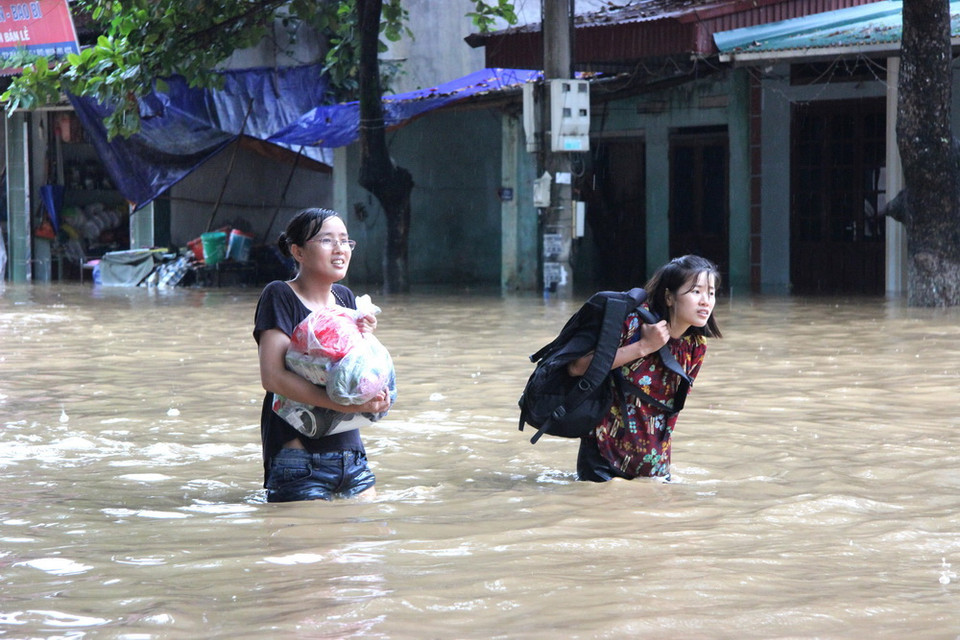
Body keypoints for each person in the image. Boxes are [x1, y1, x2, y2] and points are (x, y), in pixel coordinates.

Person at [253, 208, 390, 502]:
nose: (340, 248)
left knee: (369, 529)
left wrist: (377, 398)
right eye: (327, 240)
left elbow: (353, 374)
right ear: (298, 251)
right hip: (298, 457)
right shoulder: (280, 295)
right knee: (309, 532)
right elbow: (273, 378)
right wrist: (345, 405)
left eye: (345, 240)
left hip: (351, 456)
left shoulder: (346, 298)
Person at [569, 255, 722, 482]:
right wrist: (644, 346)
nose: (705, 301)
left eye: (711, 293)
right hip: (604, 458)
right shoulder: (633, 324)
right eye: (696, 291)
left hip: (654, 465)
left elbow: (671, 409)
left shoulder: (696, 346)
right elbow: (577, 367)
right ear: (669, 297)